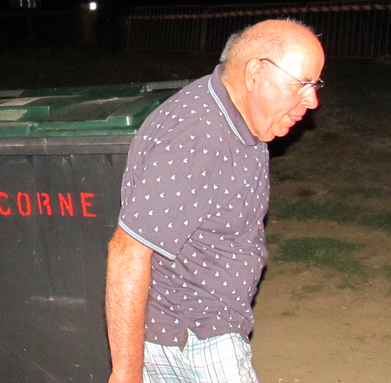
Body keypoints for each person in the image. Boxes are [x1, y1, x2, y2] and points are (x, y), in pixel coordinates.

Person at [105, 19, 325, 383]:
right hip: (195, 337)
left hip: (198, 326)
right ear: (256, 72)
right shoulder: (197, 138)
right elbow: (127, 252)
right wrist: (127, 373)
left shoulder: (239, 112)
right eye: (301, 83)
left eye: (315, 84)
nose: (312, 99)